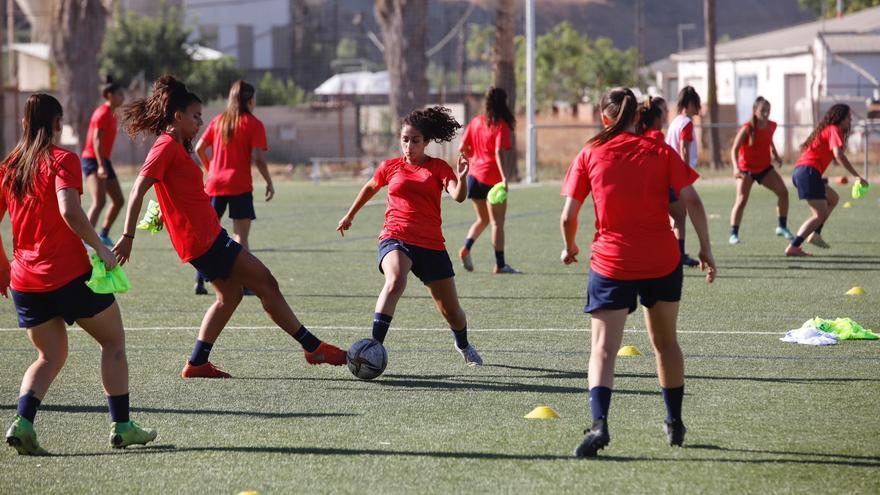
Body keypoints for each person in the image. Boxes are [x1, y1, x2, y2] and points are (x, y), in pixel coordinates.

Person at [113, 76, 346, 379]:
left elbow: (173, 189)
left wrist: (166, 208)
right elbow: (138, 188)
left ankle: (197, 363)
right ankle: (313, 347)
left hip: (207, 236)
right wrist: (128, 235)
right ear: (178, 116)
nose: (200, 122)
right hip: (204, 241)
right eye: (196, 116)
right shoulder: (166, 146)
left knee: (231, 296)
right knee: (266, 282)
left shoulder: (177, 145)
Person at [561, 88, 716, 458]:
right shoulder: (660, 151)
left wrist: (570, 246)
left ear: (603, 118)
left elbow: (568, 215)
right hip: (662, 260)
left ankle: (599, 425)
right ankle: (674, 422)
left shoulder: (590, 153)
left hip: (612, 262)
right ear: (636, 118)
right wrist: (705, 248)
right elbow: (691, 199)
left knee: (603, 349)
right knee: (666, 344)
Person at [1, 94, 156, 455]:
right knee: (113, 341)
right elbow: (69, 209)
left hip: (25, 281)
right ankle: (121, 426)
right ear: (58, 124)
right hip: (69, 276)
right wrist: (101, 249)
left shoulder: (8, 167)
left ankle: (22, 423)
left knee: (49, 356)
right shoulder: (62, 159)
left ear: (24, 124)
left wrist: (3, 270)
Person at [337, 106, 482, 366]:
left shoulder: (438, 167)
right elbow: (370, 187)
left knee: (453, 313)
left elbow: (458, 196)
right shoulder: (390, 167)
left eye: (415, 140)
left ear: (426, 142)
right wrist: (350, 215)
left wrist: (462, 177)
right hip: (396, 236)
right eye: (405, 140)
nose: (409, 146)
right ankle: (373, 346)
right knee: (395, 280)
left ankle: (463, 344)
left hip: (431, 244)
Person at [194, 80, 273, 295]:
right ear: (249, 100)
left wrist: (211, 170)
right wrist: (268, 180)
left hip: (215, 184)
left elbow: (199, 147)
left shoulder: (219, 120)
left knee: (207, 235)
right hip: (239, 185)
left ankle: (200, 281)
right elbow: (258, 157)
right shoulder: (253, 124)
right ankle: (246, 283)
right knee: (241, 236)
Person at [786, 103, 868, 256]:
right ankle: (794, 246)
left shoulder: (828, 129)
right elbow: (838, 155)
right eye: (848, 118)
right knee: (819, 215)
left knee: (833, 198)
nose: (850, 121)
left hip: (805, 172)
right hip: (807, 172)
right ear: (840, 118)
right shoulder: (834, 129)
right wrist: (857, 176)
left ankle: (815, 234)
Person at [458, 87, 519, 274]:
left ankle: (466, 248)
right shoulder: (501, 125)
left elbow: (462, 147)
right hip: (492, 180)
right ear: (503, 103)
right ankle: (500, 265)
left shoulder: (476, 122)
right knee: (497, 223)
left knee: (483, 219)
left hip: (473, 179)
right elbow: (498, 152)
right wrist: (503, 178)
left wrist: (472, 162)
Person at [728, 97, 793, 244]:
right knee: (741, 200)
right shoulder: (747, 128)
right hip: (746, 170)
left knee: (783, 193)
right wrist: (735, 167)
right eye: (762, 110)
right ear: (754, 111)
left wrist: (775, 155)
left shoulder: (771, 125)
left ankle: (782, 227)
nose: (766, 114)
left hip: (764, 168)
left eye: (768, 111)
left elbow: (769, 139)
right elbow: (734, 149)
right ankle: (733, 234)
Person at [82, 76, 126, 246]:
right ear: (109, 95)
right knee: (99, 201)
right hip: (93, 160)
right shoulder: (101, 113)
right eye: (119, 94)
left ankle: (104, 234)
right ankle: (83, 239)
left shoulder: (111, 114)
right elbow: (96, 140)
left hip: (103, 160)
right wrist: (100, 165)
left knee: (118, 200)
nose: (122, 97)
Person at [665, 86, 702, 267]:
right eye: (696, 103)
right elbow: (684, 149)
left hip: (668, 172)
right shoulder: (686, 122)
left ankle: (675, 253)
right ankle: (678, 255)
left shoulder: (674, 122)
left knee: (675, 215)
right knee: (681, 215)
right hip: (678, 174)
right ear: (689, 103)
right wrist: (685, 174)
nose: (699, 108)